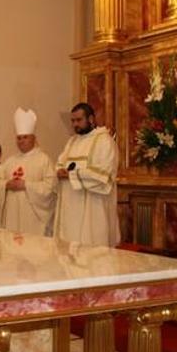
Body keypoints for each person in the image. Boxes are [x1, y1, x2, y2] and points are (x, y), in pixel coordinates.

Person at [53, 102, 120, 247]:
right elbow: (60, 162)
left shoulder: (104, 141)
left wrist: (72, 175)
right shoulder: (72, 141)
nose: (75, 124)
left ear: (90, 119)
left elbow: (104, 175)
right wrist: (59, 171)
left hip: (93, 207)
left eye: (78, 120)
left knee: (91, 252)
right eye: (73, 121)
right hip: (70, 208)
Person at [0, 107, 57, 235]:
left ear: (33, 139)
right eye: (19, 138)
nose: (21, 141)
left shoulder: (43, 160)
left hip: (33, 219)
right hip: (12, 216)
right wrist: (6, 185)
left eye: (25, 137)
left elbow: (50, 188)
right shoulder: (10, 161)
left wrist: (26, 185)